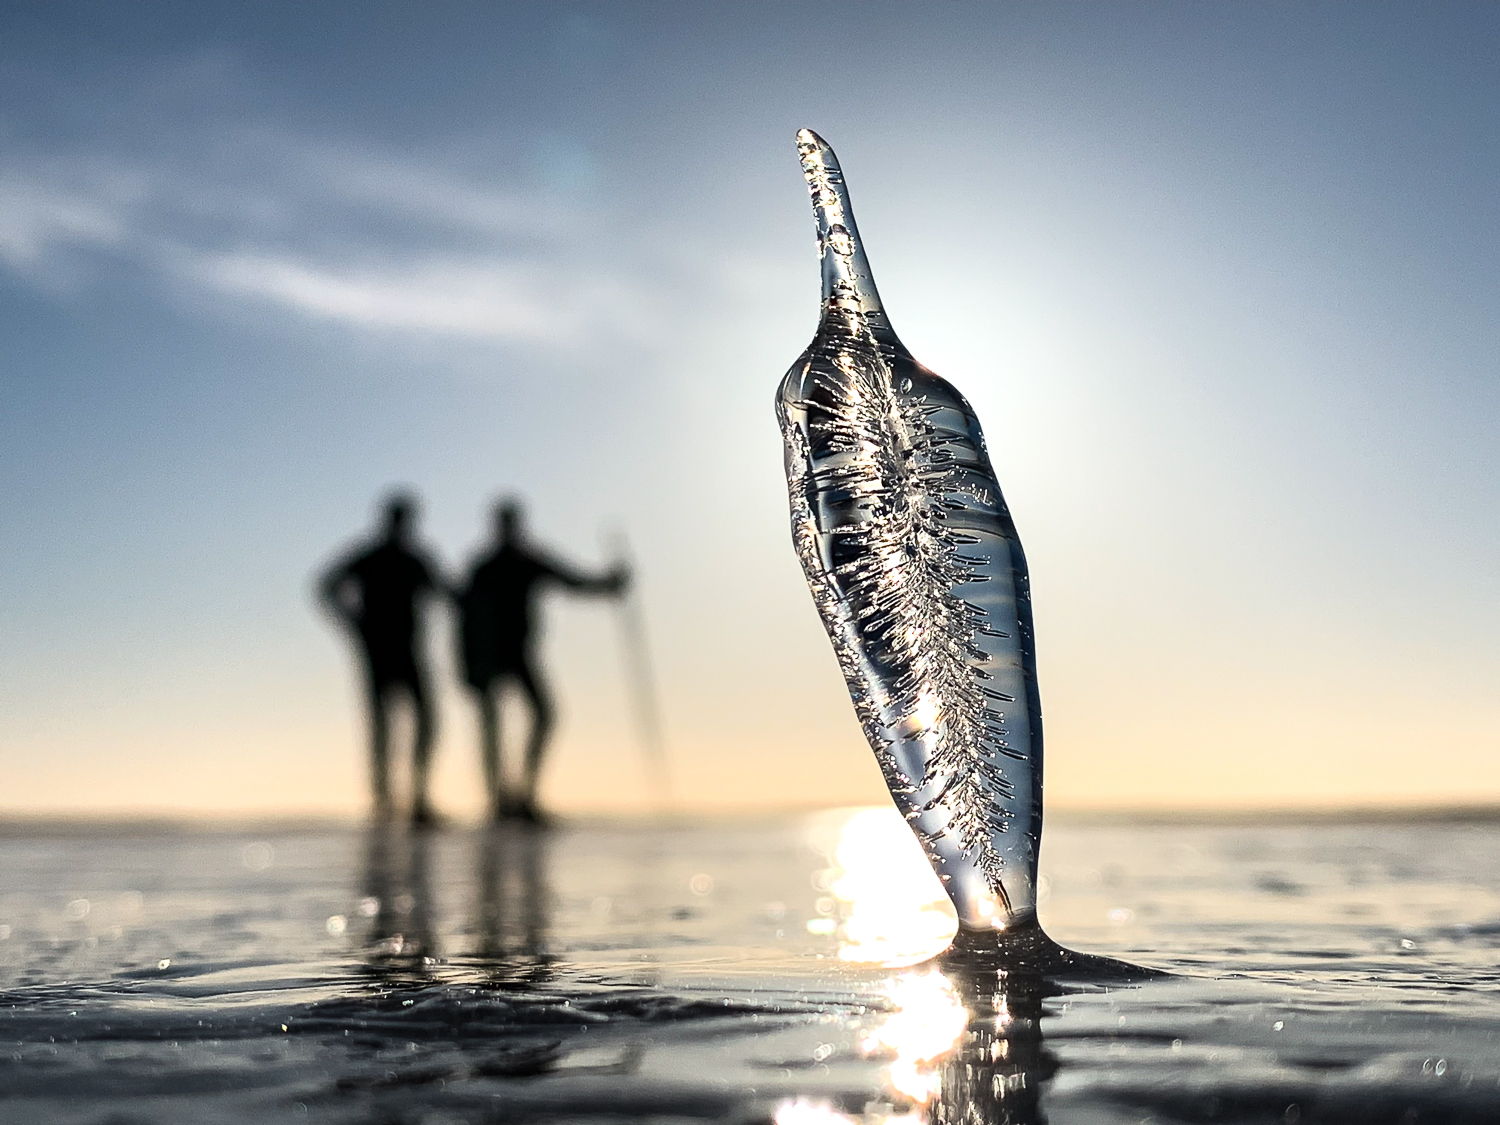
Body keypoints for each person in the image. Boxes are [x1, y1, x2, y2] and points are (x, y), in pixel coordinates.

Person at [457, 499, 627, 823]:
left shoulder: (528, 560)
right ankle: (499, 800)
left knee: (544, 715)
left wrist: (608, 585)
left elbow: (572, 581)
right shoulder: (483, 568)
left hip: (521, 653)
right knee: (493, 725)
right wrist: (469, 665)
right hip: (489, 657)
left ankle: (525, 795)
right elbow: (464, 616)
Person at [319, 492, 445, 825]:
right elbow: (326, 586)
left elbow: (443, 591)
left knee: (425, 721)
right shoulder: (369, 557)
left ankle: (418, 796)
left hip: (409, 650)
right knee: (382, 726)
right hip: (377, 652)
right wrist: (352, 624)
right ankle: (384, 801)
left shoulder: (416, 559)